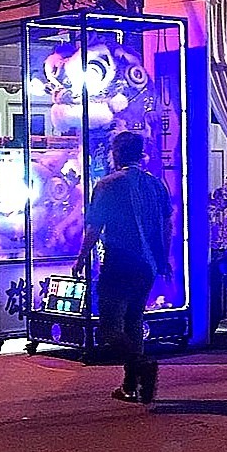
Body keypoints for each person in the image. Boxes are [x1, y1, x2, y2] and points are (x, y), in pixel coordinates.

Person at [73, 131, 173, 404]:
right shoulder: (156, 185)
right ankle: (131, 385)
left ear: (116, 154)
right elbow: (167, 225)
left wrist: (81, 257)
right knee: (134, 320)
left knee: (108, 328)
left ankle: (141, 365)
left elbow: (95, 226)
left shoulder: (107, 185)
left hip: (119, 262)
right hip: (148, 265)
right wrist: (163, 259)